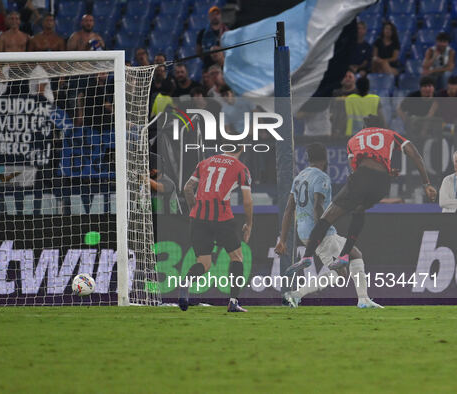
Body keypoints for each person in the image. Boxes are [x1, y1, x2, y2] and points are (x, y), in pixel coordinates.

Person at [286, 115, 437, 277]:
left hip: (361, 179)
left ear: (364, 127)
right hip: (383, 183)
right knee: (359, 210)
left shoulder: (354, 139)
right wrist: (426, 184)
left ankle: (307, 256)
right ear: (382, 125)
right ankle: (344, 255)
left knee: (326, 218)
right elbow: (415, 155)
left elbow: (356, 171)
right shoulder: (390, 134)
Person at [275, 143, 382, 308]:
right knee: (339, 272)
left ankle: (363, 299)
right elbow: (318, 205)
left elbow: (289, 209)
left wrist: (282, 239)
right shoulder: (322, 177)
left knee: (355, 254)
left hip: (304, 230)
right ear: (325, 159)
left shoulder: (299, 178)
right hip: (319, 230)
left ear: (308, 159)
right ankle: (295, 295)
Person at [180, 143, 253, 312]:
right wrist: (249, 224)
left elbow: (187, 188)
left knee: (204, 264)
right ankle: (233, 302)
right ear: (241, 148)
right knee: (237, 258)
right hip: (222, 218)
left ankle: (186, 282)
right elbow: (247, 200)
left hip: (198, 218)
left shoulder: (205, 162)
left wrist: (194, 210)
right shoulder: (241, 168)